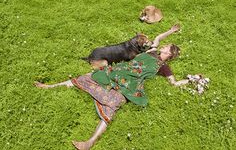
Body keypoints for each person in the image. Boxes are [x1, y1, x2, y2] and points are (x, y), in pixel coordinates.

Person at [35, 26, 190, 150]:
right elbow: (158, 38)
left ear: (169, 54)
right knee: (89, 76)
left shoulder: (164, 68)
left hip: (131, 82)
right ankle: (49, 87)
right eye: (166, 45)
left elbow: (174, 83)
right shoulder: (152, 50)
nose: (164, 46)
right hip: (121, 70)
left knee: (113, 104)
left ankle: (90, 142)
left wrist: (190, 80)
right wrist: (171, 31)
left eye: (167, 48)